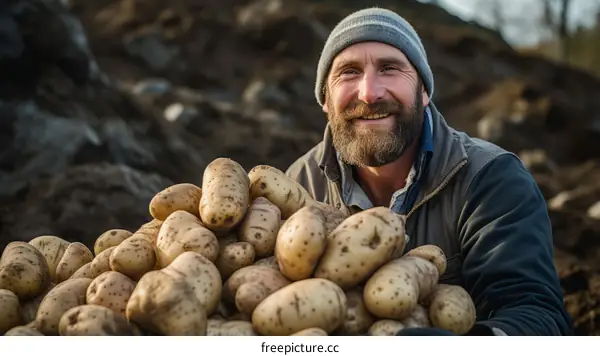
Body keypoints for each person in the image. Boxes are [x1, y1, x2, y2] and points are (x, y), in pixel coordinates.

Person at [285, 7, 573, 336]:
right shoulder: (299, 185)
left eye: (389, 68)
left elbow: (538, 316)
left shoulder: (491, 179)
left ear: (424, 92)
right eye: (349, 72)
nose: (369, 93)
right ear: (325, 99)